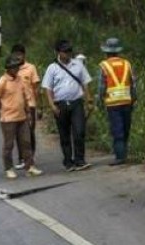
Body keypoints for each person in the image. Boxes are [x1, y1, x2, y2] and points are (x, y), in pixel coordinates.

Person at [42, 40, 93, 172]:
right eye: (65, 51)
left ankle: (80, 160)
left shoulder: (78, 65)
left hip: (76, 102)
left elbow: (85, 83)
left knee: (79, 131)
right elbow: (48, 89)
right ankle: (68, 161)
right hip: (60, 104)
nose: (68, 54)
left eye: (69, 51)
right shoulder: (52, 68)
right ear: (58, 52)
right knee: (64, 134)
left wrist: (89, 100)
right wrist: (52, 105)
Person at [0, 55, 43, 179]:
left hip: (22, 117)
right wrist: (4, 108)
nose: (16, 69)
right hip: (8, 118)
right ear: (8, 68)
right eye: (13, 67)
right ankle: (8, 168)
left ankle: (29, 166)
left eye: (17, 67)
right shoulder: (2, 82)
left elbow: (25, 96)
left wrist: (28, 111)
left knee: (26, 142)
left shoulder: (20, 79)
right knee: (9, 144)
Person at [96, 38, 136, 165]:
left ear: (106, 52)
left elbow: (102, 86)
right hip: (127, 101)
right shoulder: (127, 64)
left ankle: (120, 157)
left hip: (113, 103)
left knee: (117, 130)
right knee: (126, 129)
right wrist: (134, 99)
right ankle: (124, 153)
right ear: (118, 51)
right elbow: (134, 83)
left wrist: (99, 101)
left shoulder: (104, 65)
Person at [11, 44, 40, 170]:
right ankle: (21, 158)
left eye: (20, 54)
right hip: (17, 106)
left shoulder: (31, 68)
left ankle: (30, 157)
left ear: (24, 55)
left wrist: (39, 107)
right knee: (18, 133)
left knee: (29, 132)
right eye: (16, 54)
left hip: (30, 105)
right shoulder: (11, 69)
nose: (18, 56)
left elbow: (36, 88)